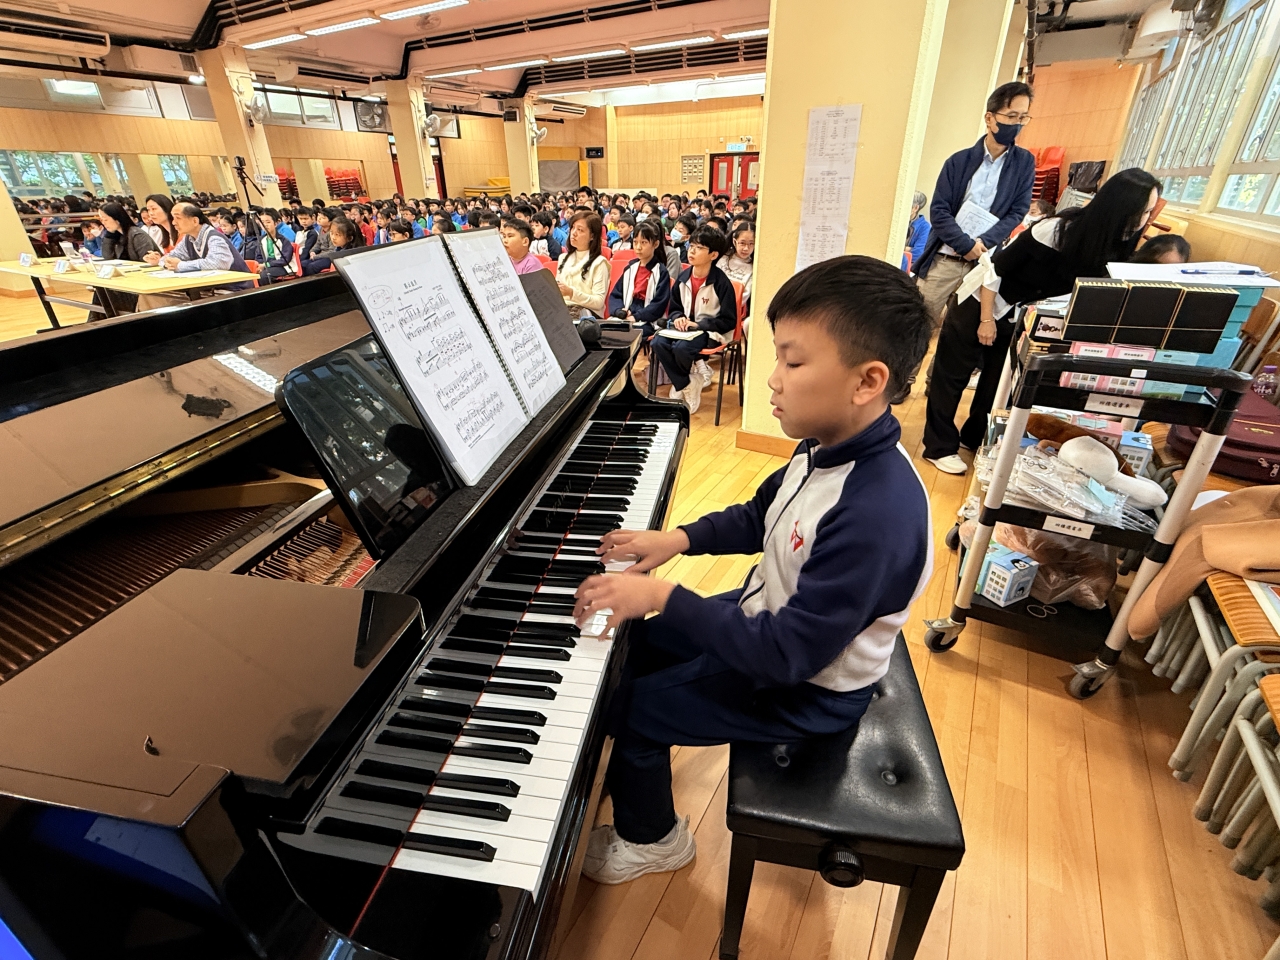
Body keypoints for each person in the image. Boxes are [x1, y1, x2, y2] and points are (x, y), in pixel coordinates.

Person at [572, 254, 934, 885]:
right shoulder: (825, 447)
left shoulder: (877, 514)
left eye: (793, 362)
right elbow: (759, 514)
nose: (772, 379)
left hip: (809, 688)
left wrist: (662, 595)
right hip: (765, 620)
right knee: (639, 646)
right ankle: (625, 769)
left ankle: (655, 840)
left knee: (635, 709)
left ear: (867, 381)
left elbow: (784, 657)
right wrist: (676, 539)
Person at [922, 168, 1162, 473]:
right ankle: (938, 447)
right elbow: (995, 270)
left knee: (998, 383)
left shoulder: (1115, 244)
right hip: (981, 302)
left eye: (1150, 212)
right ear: (1121, 207)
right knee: (951, 377)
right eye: (1143, 211)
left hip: (1021, 314)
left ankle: (974, 437)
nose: (1145, 220)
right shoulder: (1056, 230)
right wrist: (986, 320)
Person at [913, 83, 1037, 327]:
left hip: (982, 263)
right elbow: (939, 211)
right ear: (990, 118)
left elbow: (1017, 211)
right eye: (1011, 116)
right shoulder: (958, 161)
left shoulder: (1024, 163)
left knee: (962, 333)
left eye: (1023, 117)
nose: (1017, 124)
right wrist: (965, 244)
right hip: (944, 259)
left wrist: (983, 243)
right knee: (918, 326)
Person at [653, 225, 737, 414]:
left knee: (681, 348)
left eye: (699, 248)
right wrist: (678, 318)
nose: (692, 251)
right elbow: (674, 308)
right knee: (658, 342)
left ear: (713, 255)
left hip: (710, 331)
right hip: (685, 330)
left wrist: (699, 324)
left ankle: (682, 384)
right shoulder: (683, 277)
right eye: (691, 246)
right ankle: (686, 383)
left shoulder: (722, 283)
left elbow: (728, 320)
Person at [606, 219, 671, 338]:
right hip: (628, 312)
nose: (638, 247)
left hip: (647, 318)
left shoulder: (661, 271)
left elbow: (658, 304)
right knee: (606, 330)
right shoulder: (630, 268)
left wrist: (636, 316)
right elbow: (616, 295)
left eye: (644, 242)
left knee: (629, 333)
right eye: (635, 242)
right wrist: (619, 311)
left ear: (655, 244)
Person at [557, 210, 610, 320]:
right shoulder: (563, 258)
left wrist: (572, 293)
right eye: (573, 228)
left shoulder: (599, 263)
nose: (574, 233)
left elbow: (598, 302)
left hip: (586, 314)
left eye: (580, 230)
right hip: (562, 309)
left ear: (592, 236)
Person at [242, 209, 296, 283]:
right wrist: (260, 265)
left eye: (268, 222)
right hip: (266, 265)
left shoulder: (283, 240)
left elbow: (285, 260)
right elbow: (258, 256)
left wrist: (266, 265)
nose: (265, 225)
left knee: (264, 275)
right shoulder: (262, 239)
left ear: (276, 223)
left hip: (283, 267)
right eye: (262, 222)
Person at [903, 191, 930, 272]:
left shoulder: (925, 227)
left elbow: (918, 254)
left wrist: (901, 249)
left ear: (915, 208)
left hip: (908, 268)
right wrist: (908, 249)